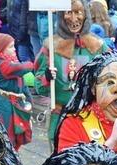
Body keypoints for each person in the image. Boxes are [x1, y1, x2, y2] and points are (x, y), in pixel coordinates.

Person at [34, 0, 108, 141]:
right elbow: (39, 86)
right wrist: (46, 78)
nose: (74, 19)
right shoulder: (51, 46)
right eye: (69, 12)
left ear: (85, 15)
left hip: (89, 118)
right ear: (62, 16)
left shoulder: (98, 46)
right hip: (60, 118)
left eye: (78, 12)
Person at [0, 33, 34, 151]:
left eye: (14, 46)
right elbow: (20, 69)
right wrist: (33, 63)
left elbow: (22, 84)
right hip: (5, 103)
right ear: (1, 48)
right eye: (10, 47)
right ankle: (6, 161)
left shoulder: (13, 60)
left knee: (19, 133)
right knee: (7, 135)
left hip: (17, 103)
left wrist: (29, 100)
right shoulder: (2, 63)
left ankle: (14, 156)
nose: (14, 49)